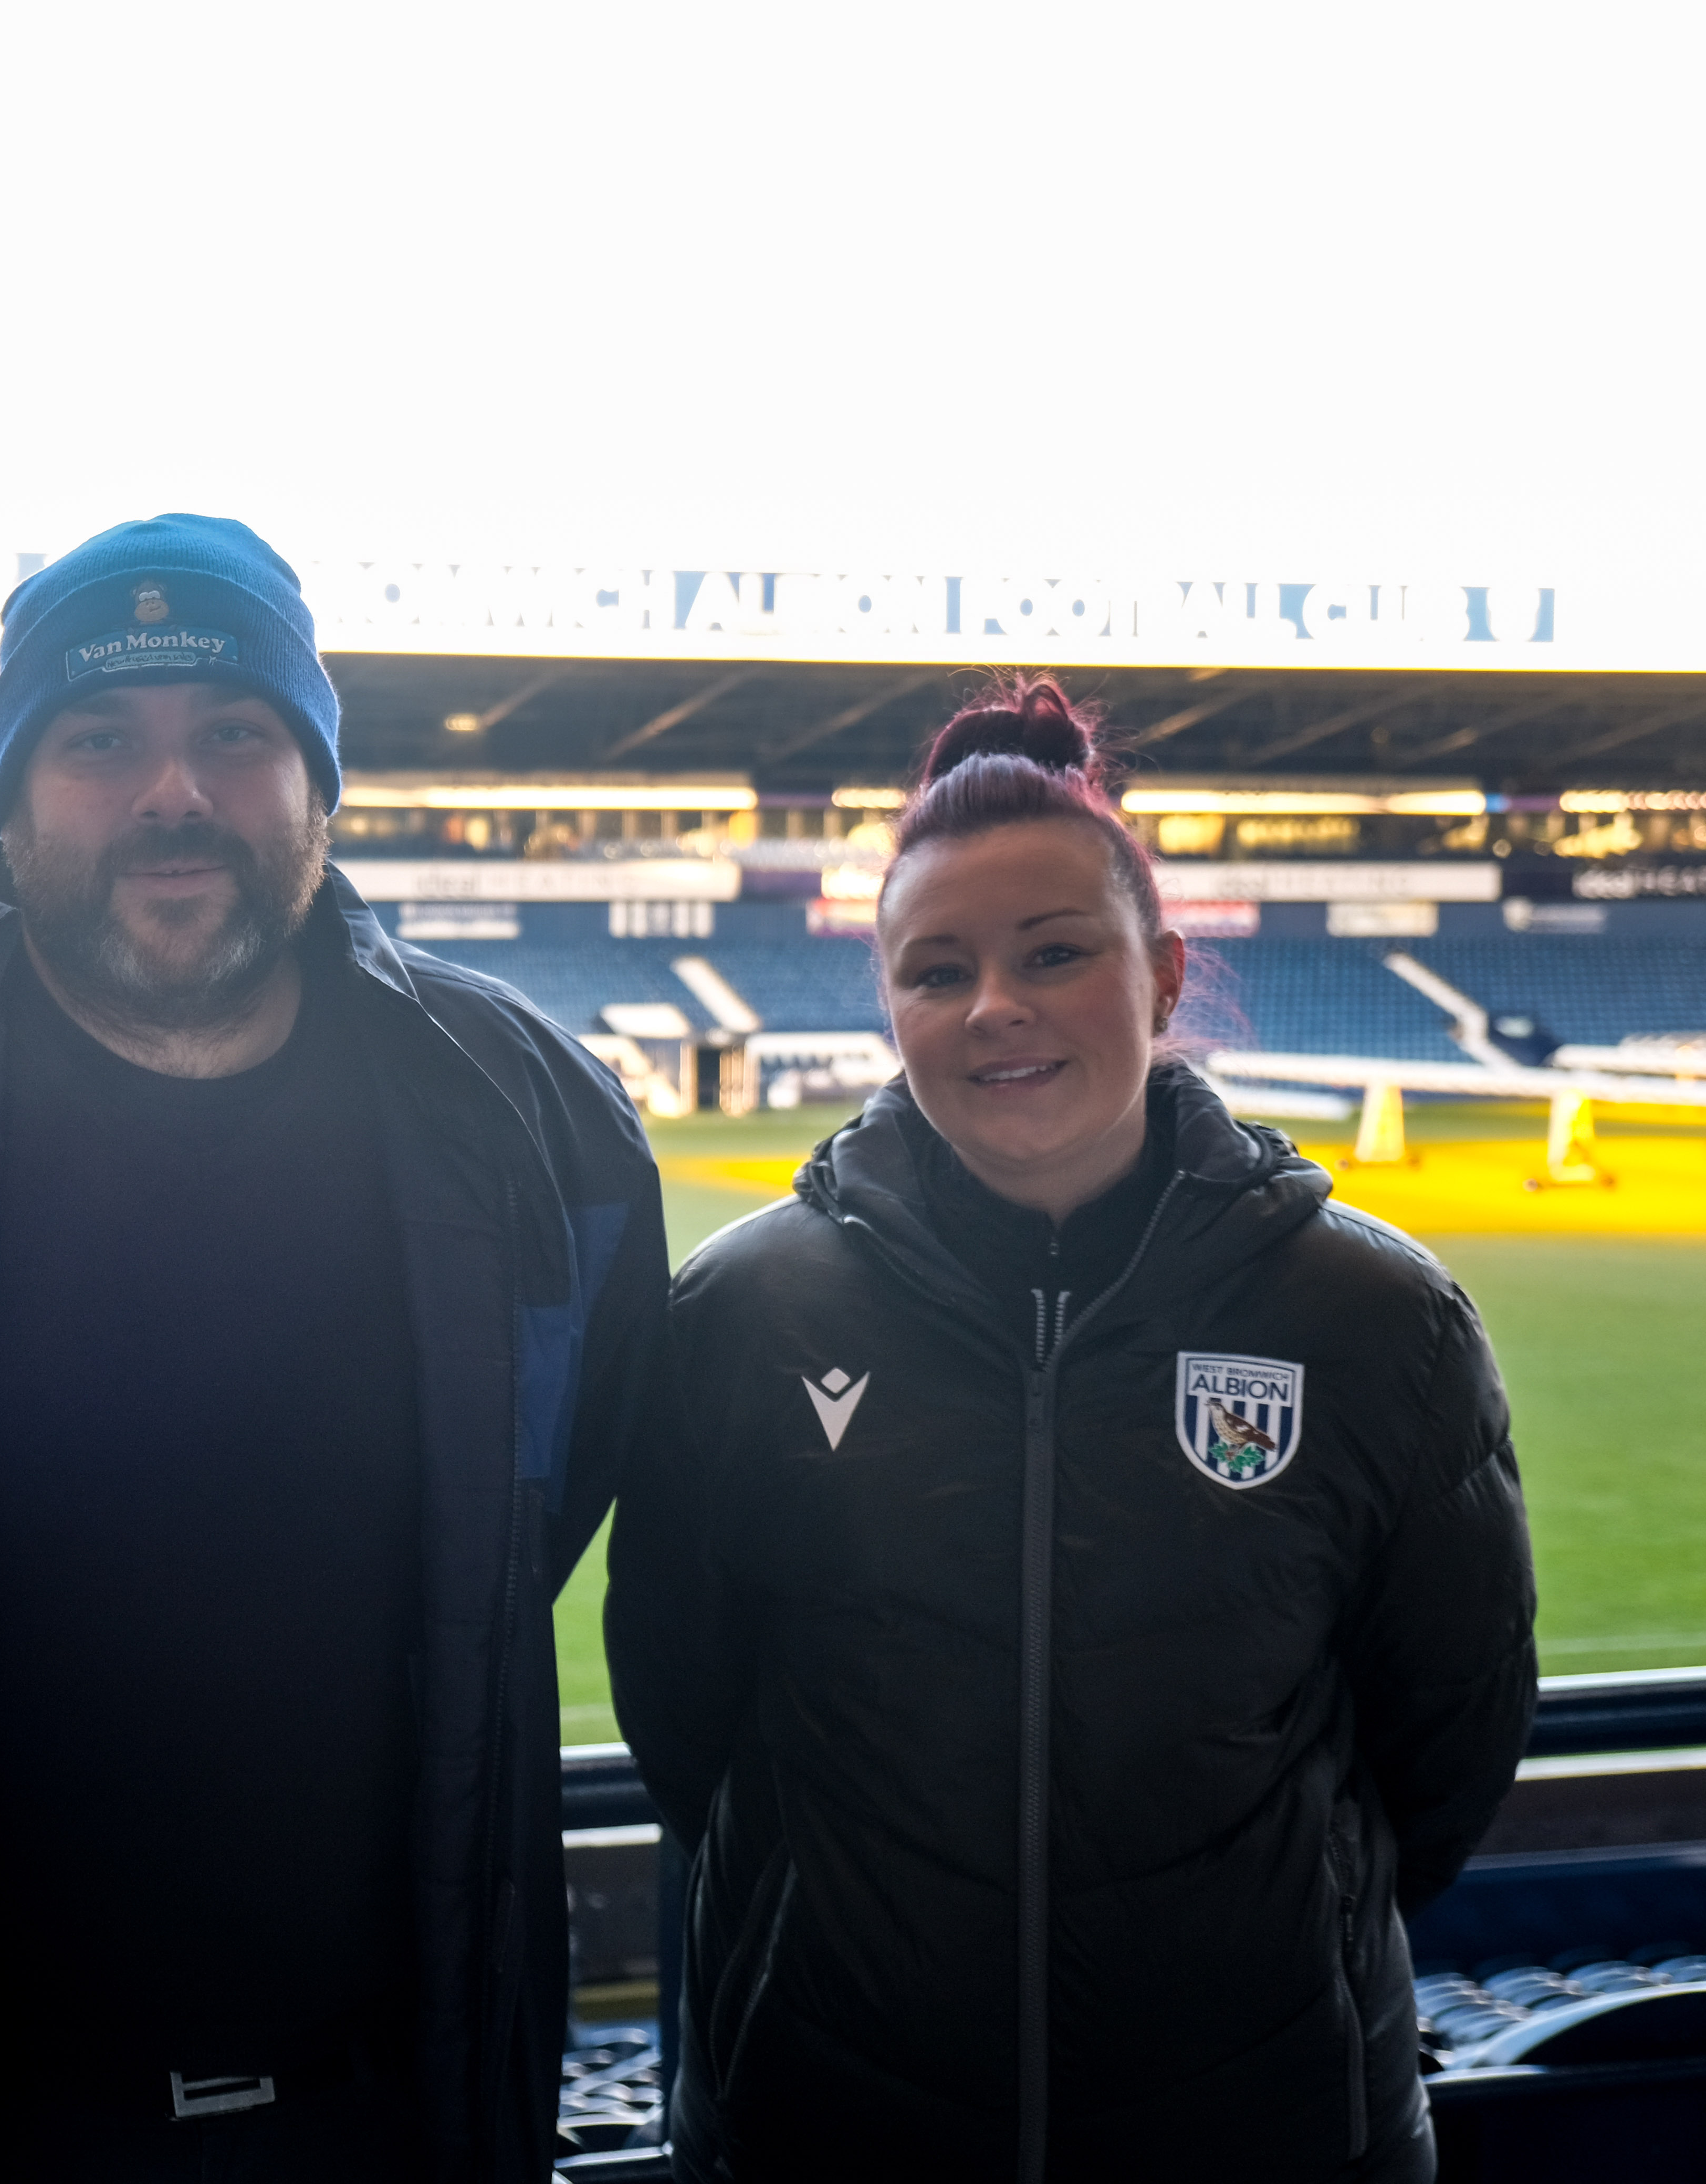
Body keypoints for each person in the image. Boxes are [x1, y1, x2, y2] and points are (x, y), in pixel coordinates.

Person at [0, 513, 673, 2183]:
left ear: (320, 782)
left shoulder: (537, 1116)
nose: (175, 793)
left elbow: (557, 1491)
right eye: (101, 739)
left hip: (392, 2109)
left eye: (234, 733)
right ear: (12, 797)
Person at [609, 676, 1536, 2184]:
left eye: (1056, 953)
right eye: (937, 970)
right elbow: (686, 1725)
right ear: (888, 1003)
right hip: (828, 2130)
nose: (996, 1009)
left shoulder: (1375, 1322)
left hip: (1270, 2136)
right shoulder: (742, 1316)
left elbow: (1445, 1749)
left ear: (1164, 977)